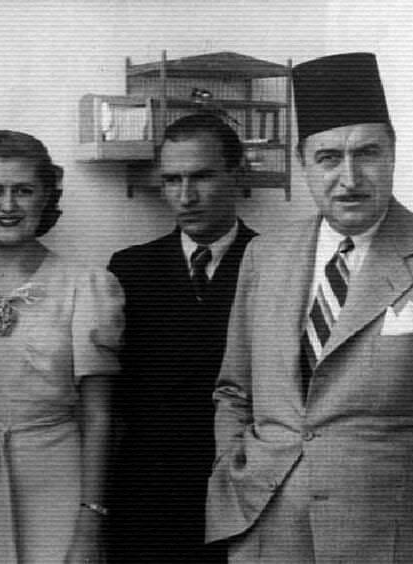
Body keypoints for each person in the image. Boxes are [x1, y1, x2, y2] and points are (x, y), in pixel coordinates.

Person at [206, 52, 413, 563]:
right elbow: (234, 391)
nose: (349, 178)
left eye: (367, 153)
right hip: (268, 536)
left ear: (393, 155)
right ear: (304, 164)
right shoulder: (265, 255)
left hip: (390, 542)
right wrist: (234, 471)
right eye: (328, 158)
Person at [0, 126, 124, 564]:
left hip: (57, 482)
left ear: (47, 195)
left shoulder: (85, 286)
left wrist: (89, 523)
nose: (8, 205)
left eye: (24, 190)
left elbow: (99, 416)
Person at [107, 113, 258, 563]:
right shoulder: (130, 270)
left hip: (240, 493)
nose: (186, 196)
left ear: (238, 175)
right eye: (172, 180)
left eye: (202, 177)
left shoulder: (275, 264)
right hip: (147, 502)